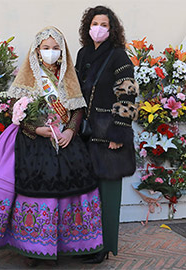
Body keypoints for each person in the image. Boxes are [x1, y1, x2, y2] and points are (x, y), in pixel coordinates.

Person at [0, 26, 103, 267]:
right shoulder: (29, 77)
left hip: (66, 143)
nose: (51, 52)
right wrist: (36, 129)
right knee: (33, 190)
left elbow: (77, 109)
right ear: (37, 51)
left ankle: (64, 244)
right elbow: (18, 110)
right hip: (33, 142)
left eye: (56, 48)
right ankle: (31, 249)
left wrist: (70, 130)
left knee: (71, 191)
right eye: (46, 48)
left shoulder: (68, 77)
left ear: (62, 51)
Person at [75, 6, 139, 264]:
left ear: (111, 29)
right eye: (94, 23)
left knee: (108, 194)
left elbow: (128, 95)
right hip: (85, 134)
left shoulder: (119, 56)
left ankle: (104, 247)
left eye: (103, 24)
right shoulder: (83, 54)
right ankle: (88, 242)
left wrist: (119, 134)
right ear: (87, 27)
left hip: (110, 135)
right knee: (89, 194)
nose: (98, 28)